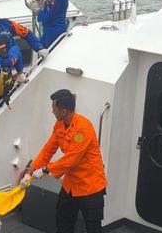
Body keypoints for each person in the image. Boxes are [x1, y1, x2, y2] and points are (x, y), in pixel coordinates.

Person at [20, 89, 107, 233]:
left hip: (91, 186)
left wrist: (44, 170)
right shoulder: (59, 125)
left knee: (93, 227)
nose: (52, 111)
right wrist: (31, 170)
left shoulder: (83, 129)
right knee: (63, 221)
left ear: (64, 111)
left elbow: (70, 160)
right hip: (71, 185)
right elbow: (48, 149)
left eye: (54, 108)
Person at [0, 7, 49, 78]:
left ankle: (20, 73)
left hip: (8, 64)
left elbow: (26, 33)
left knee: (15, 49)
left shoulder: (6, 25)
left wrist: (39, 48)